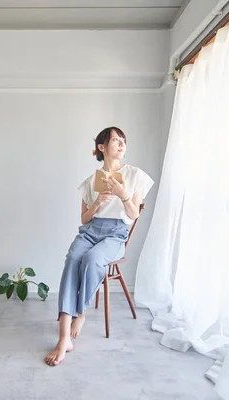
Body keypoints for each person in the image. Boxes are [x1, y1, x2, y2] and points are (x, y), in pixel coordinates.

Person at [45, 126, 154, 366]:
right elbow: (84, 219)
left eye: (123, 139)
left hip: (116, 234)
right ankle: (64, 338)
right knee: (73, 257)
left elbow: (134, 213)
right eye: (115, 139)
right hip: (91, 230)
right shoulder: (89, 182)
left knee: (92, 260)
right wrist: (97, 202)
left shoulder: (136, 175)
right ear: (102, 147)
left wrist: (123, 194)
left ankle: (80, 314)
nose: (121, 143)